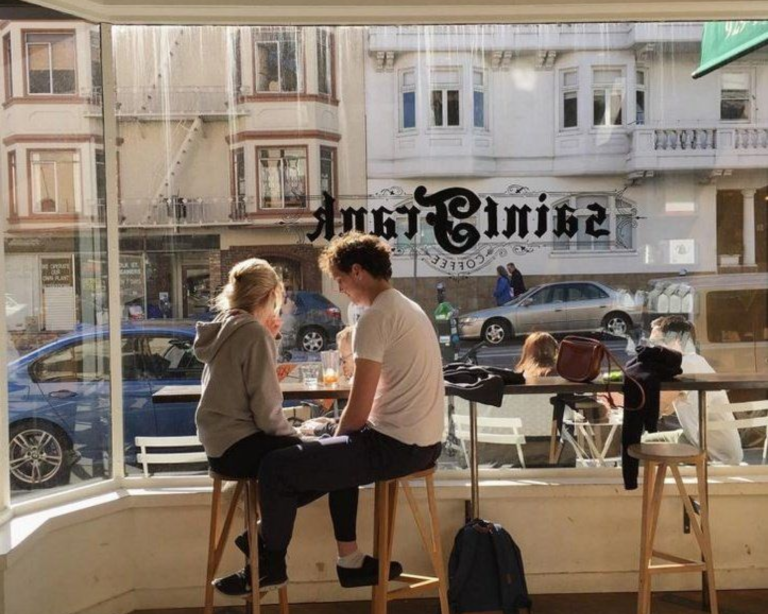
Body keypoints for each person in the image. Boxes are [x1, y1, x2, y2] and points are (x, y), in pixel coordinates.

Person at [255, 231, 445, 591]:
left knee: (275, 468)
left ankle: (269, 561)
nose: (340, 289)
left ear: (358, 271)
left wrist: (330, 441)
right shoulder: (409, 307)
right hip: (424, 443)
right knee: (337, 447)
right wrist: (330, 439)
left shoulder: (375, 318)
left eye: (340, 279)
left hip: (397, 446)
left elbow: (358, 409)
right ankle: (349, 560)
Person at [193, 258, 303, 593]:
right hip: (240, 445)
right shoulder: (253, 333)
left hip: (218, 446)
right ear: (271, 296)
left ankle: (268, 562)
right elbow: (267, 410)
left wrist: (270, 339)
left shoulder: (225, 326)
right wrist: (297, 436)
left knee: (296, 464)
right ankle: (261, 541)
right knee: (326, 461)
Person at [642, 315, 743, 465]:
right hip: (724, 450)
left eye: (656, 343)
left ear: (676, 341)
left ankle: (650, 481)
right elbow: (667, 408)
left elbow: (655, 410)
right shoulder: (697, 362)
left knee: (637, 445)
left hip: (711, 454)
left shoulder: (681, 366)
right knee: (648, 440)